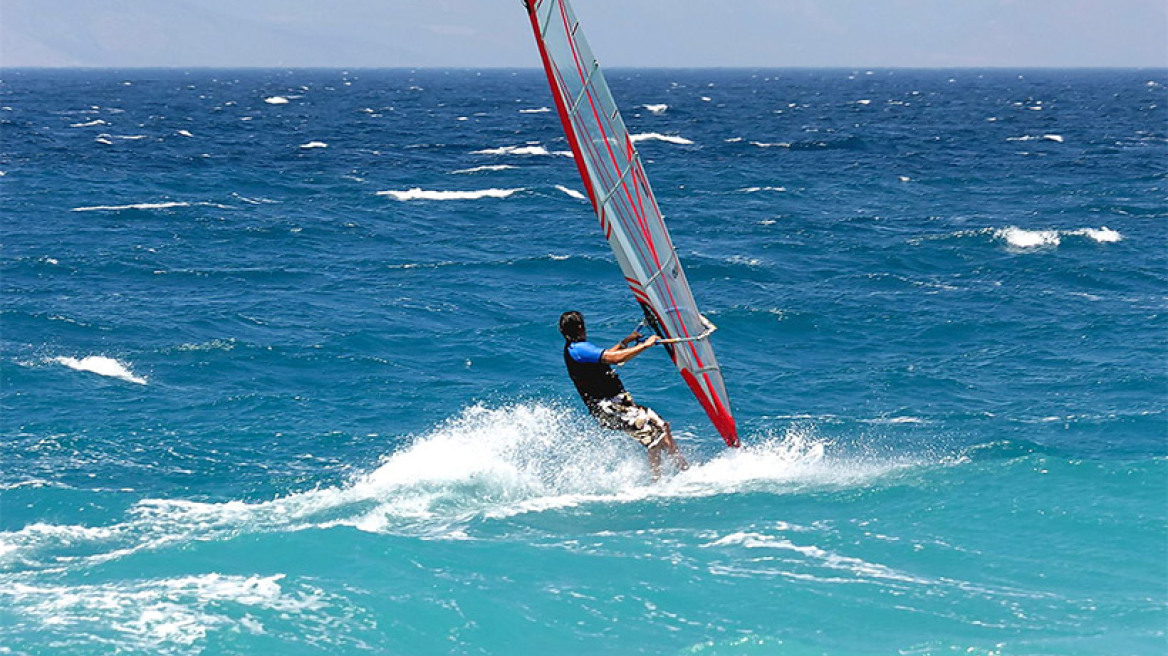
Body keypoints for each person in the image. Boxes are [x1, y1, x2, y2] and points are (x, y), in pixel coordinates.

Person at [559, 310, 688, 480]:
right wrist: (644, 345)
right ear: (581, 327)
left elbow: (608, 357)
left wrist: (625, 342)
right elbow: (613, 359)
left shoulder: (578, 349)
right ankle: (657, 482)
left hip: (618, 405)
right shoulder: (578, 349)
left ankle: (683, 469)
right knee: (653, 436)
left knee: (662, 427)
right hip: (608, 408)